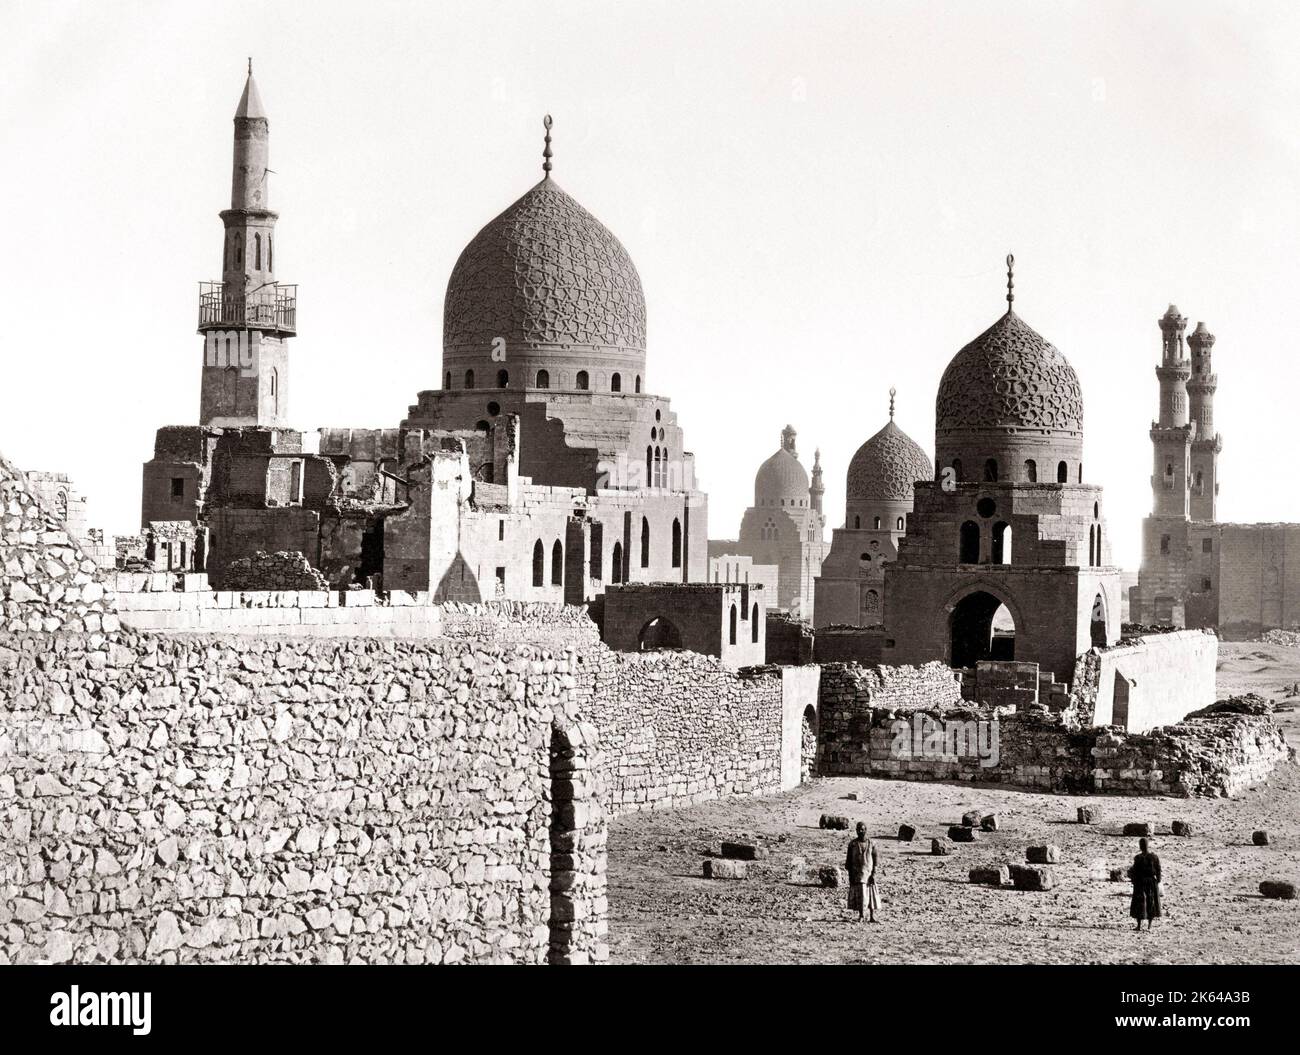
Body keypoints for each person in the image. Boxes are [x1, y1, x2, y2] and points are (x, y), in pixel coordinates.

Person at [845, 822, 881, 923]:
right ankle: (861, 915)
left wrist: (874, 873)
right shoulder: (852, 844)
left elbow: (876, 861)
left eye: (862, 829)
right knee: (861, 895)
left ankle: (872, 916)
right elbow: (848, 861)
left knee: (871, 895)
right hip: (857, 874)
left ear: (866, 830)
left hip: (869, 874)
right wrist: (850, 875)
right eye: (858, 829)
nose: (860, 831)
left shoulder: (872, 844)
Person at [1129, 837, 1162, 931]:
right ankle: (1149, 926)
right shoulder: (1154, 857)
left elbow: (1135, 871)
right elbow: (1158, 870)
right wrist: (1158, 880)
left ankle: (1139, 926)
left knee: (1140, 903)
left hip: (1140, 882)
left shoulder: (1138, 858)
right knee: (1151, 902)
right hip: (1152, 882)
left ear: (1140, 846)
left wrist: (1134, 881)